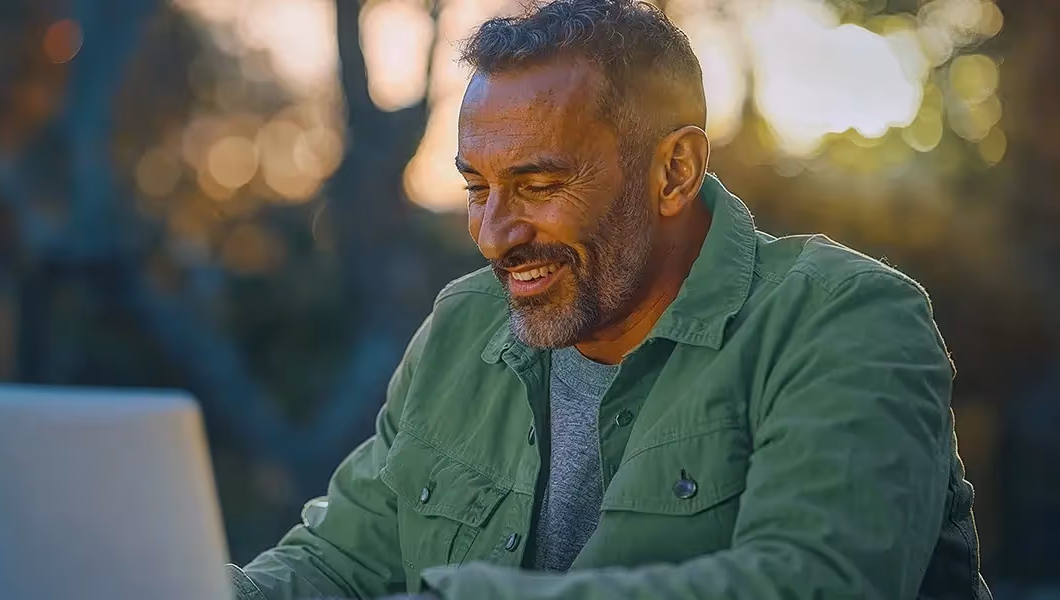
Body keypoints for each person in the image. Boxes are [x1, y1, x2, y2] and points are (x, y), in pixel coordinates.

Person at [228, 0, 992, 598]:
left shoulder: (845, 321)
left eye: (538, 184)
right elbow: (338, 563)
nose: (495, 235)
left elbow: (814, 583)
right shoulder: (462, 329)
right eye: (476, 188)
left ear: (674, 171)